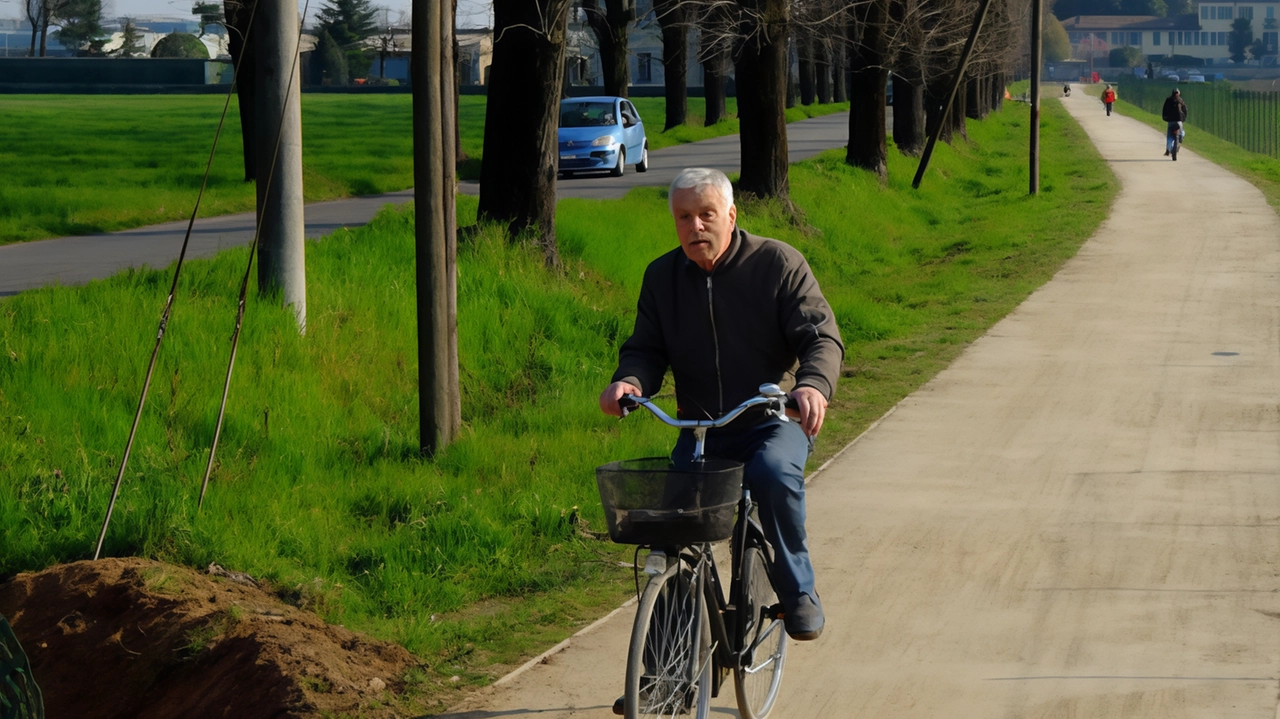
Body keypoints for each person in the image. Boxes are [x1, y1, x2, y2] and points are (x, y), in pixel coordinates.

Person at [599, 167, 844, 643]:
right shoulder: (662, 277)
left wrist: (812, 386)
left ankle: (799, 593)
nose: (695, 227)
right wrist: (628, 382)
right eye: (684, 217)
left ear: (731, 215)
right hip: (698, 428)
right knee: (671, 535)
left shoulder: (778, 263)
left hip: (773, 419)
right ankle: (657, 677)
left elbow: (820, 335)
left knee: (773, 476)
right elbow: (646, 349)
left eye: (707, 214)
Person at [1162, 88, 1187, 158]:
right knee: (1182, 132)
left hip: (1171, 121)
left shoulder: (1168, 100)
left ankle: (1169, 149)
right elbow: (1185, 109)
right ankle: (1180, 138)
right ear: (1178, 94)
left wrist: (1165, 117)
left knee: (1169, 136)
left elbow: (1164, 110)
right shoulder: (1180, 100)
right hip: (1179, 121)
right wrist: (1184, 118)